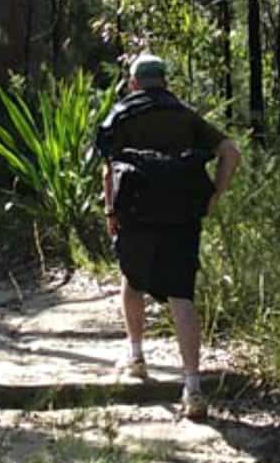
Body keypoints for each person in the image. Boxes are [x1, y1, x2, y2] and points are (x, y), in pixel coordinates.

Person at [95, 53, 241, 420]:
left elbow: (109, 168)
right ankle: (192, 387)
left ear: (133, 83)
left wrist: (111, 211)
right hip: (181, 216)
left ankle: (137, 357)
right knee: (181, 294)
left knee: (132, 279)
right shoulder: (185, 115)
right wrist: (214, 195)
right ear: (164, 82)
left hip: (136, 213)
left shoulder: (121, 115)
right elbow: (230, 150)